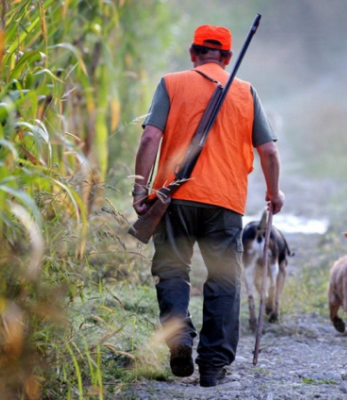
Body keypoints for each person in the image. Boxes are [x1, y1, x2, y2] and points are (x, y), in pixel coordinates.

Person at [132, 24, 284, 387]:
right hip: (225, 203)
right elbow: (270, 152)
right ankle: (213, 366)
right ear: (227, 58)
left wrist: (140, 189)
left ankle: (179, 336)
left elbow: (150, 137)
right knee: (222, 279)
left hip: (174, 198)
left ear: (193, 53)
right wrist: (273, 193)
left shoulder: (171, 83)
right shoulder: (246, 92)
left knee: (171, 270)